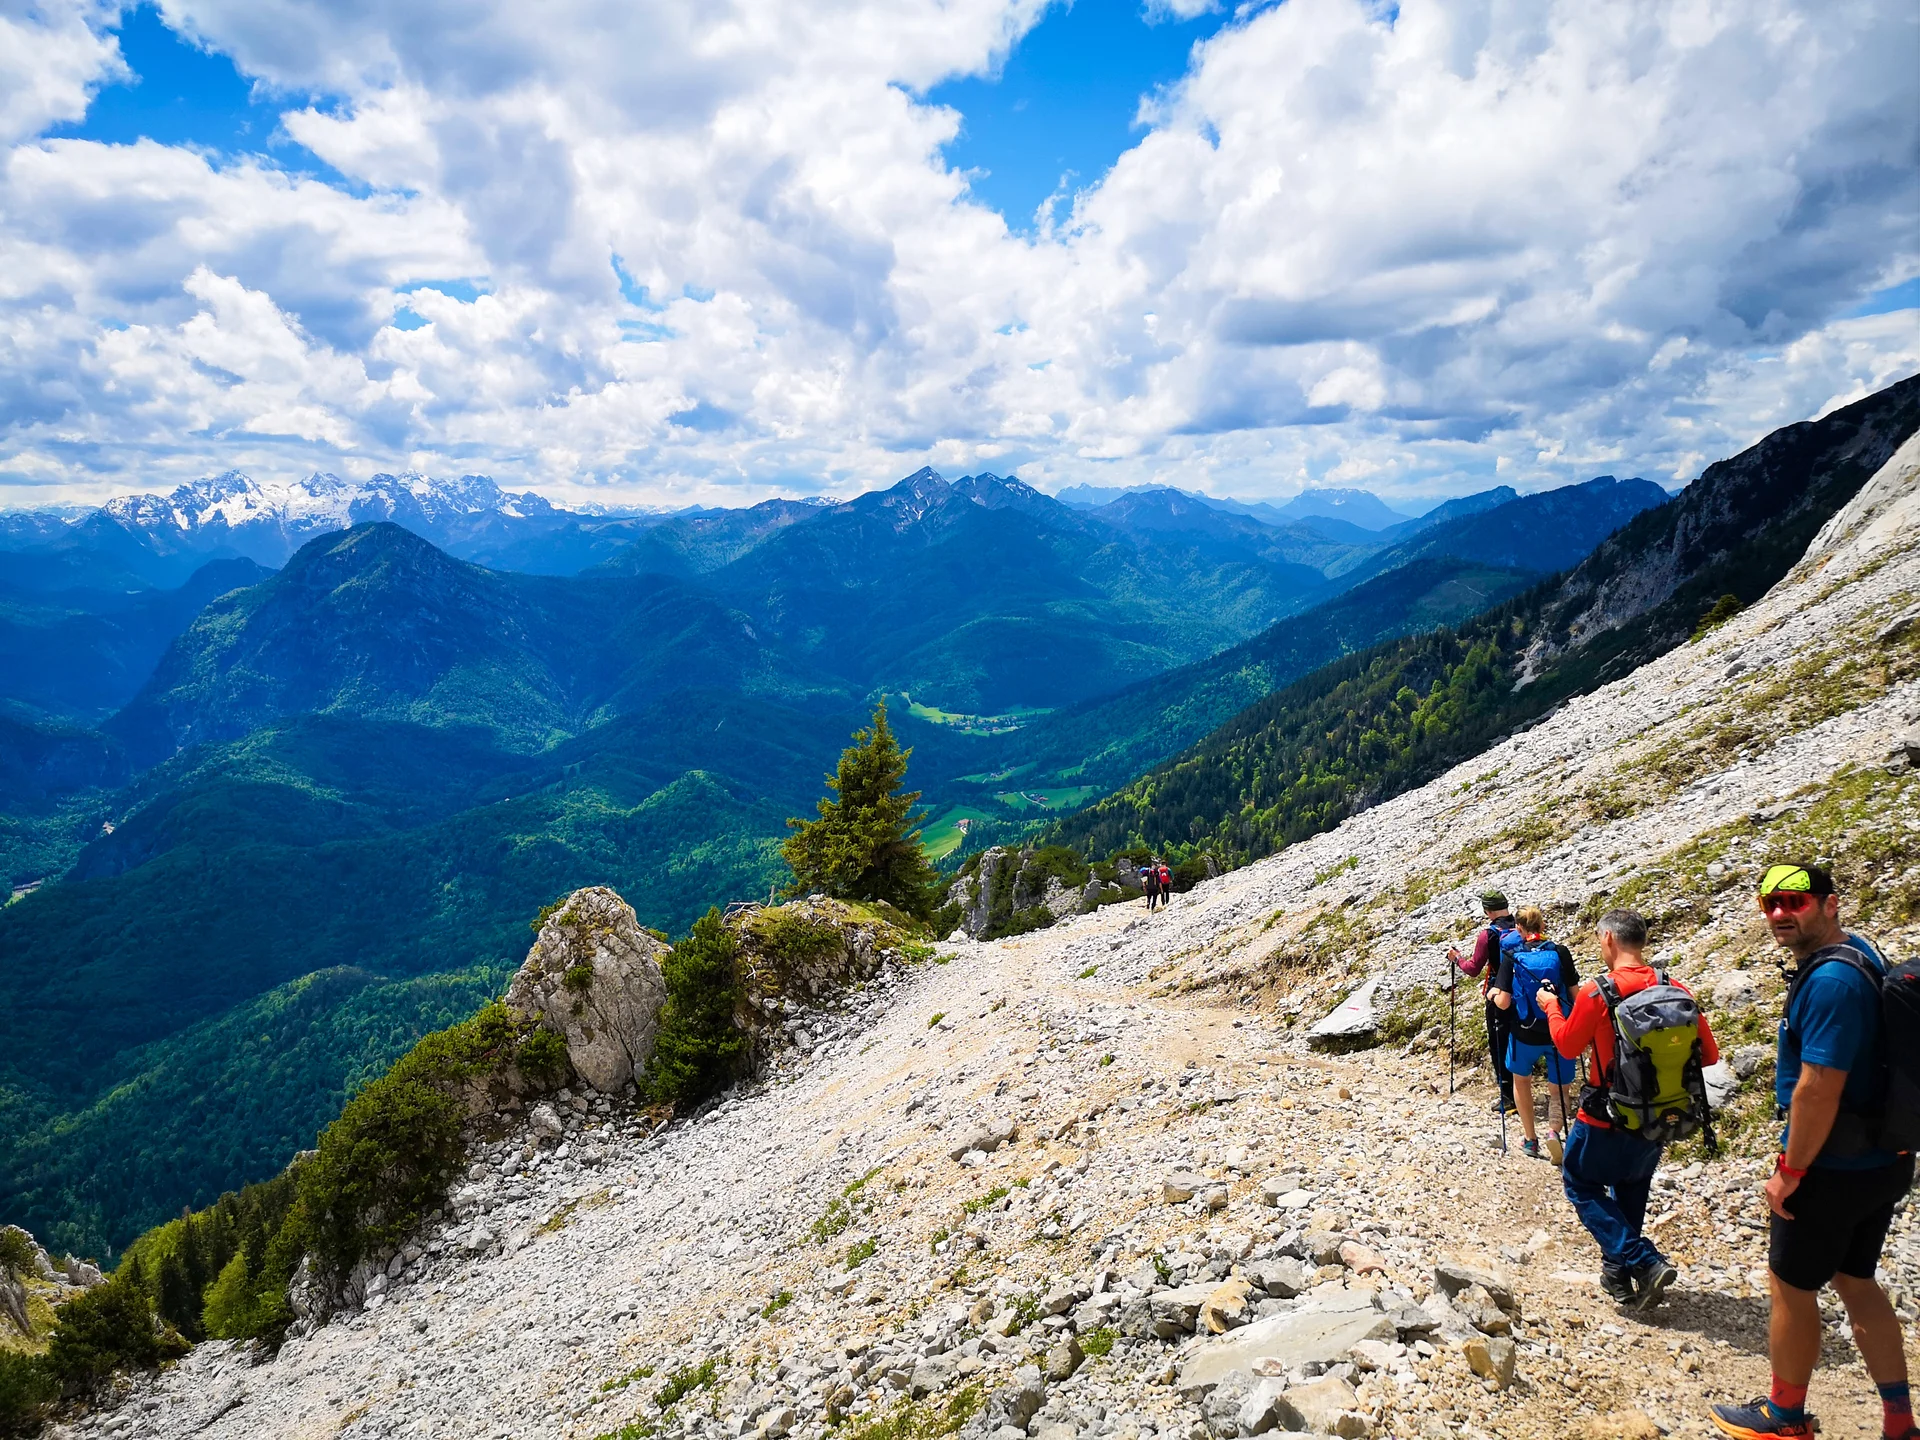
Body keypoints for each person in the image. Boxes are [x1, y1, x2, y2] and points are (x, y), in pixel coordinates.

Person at [1709, 863, 1915, 1440]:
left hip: (1831, 1165)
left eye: (1795, 902)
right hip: (1885, 1156)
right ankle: (1899, 1420)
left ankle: (1783, 1416)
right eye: (1770, 904)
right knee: (1856, 1279)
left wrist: (1790, 1170)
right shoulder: (1860, 954)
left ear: (1829, 904)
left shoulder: (1829, 982)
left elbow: (1818, 1085)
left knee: (1791, 1288)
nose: (1779, 915)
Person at [1540, 907, 1718, 1310]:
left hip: (1604, 1115)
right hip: (1659, 1116)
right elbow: (1708, 1054)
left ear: (1608, 940)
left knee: (1580, 1183)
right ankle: (1617, 1276)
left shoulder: (1596, 992)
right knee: (1631, 1187)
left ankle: (1644, 1262)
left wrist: (1551, 1007)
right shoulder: (1675, 987)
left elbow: (1567, 1046)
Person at [1491, 904, 1578, 1161]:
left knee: (1522, 1082)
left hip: (1524, 1032)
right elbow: (1575, 995)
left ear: (1518, 928)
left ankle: (1530, 1140)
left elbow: (1505, 1002)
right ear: (1542, 925)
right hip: (1558, 1028)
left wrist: (1493, 994)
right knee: (1559, 1089)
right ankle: (1554, 1132)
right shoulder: (1560, 953)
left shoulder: (1511, 955)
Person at [1447, 891, 1519, 1114]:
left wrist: (1456, 958)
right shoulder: (1522, 926)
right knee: (1521, 1039)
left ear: (1488, 911)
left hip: (1498, 992)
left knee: (1499, 1042)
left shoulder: (1488, 935)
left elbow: (1473, 969)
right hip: (1525, 990)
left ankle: (1507, 1096)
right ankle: (1522, 1086)